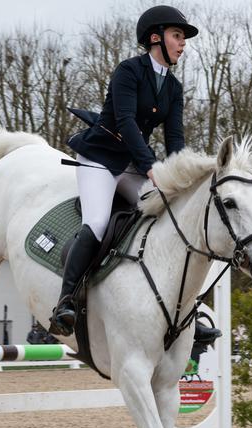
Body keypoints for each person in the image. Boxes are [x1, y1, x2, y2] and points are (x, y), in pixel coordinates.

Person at [49, 5, 198, 336]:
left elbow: (175, 138)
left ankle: (180, 309)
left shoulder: (173, 89)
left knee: (168, 217)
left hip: (130, 165)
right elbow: (128, 123)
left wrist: (180, 176)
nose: (182, 43)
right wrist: (151, 168)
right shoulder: (128, 71)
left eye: (183, 38)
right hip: (100, 159)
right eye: (177, 36)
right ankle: (65, 301)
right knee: (98, 223)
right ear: (155, 38)